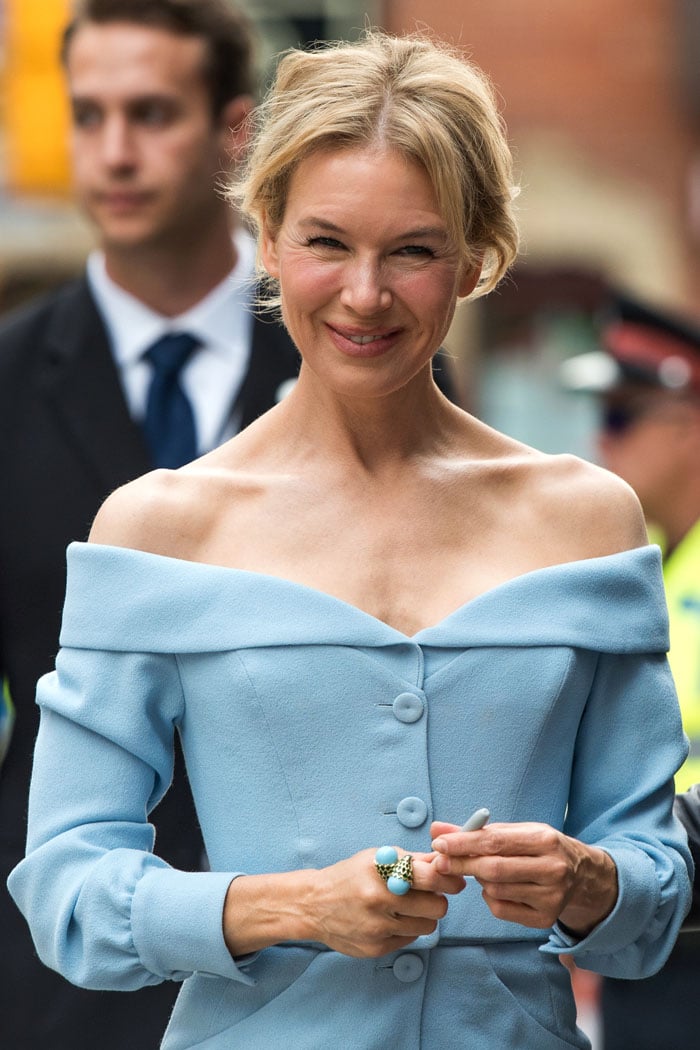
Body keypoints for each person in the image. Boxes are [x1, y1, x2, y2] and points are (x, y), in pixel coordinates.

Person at [8, 30, 692, 1050]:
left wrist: (590, 881)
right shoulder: (160, 525)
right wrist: (285, 908)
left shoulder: (584, 518)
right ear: (269, 238)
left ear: (473, 257)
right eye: (327, 242)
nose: (364, 294)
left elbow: (650, 901)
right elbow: (67, 893)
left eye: (411, 250)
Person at [0, 2, 301, 1047]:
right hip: (60, 977)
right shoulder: (5, 383)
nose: (113, 153)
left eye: (150, 113)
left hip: (311, 959)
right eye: (88, 116)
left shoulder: (349, 354)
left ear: (233, 133)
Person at [561, 293, 700, 1049]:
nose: (600, 441)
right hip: (647, 918)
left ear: (690, 419)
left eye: (620, 415)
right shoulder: (628, 562)